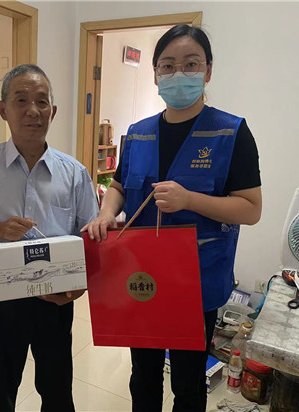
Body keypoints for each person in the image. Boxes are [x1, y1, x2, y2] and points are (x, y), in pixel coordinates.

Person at [82, 25, 262, 412]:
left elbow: (251, 208)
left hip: (195, 279)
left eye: (191, 64)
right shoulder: (138, 133)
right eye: (168, 65)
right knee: (143, 374)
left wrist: (190, 200)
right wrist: (106, 213)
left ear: (208, 70)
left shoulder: (231, 133)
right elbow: (119, 186)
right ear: (156, 74)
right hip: (141, 276)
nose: (179, 73)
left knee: (188, 381)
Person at [0, 64, 98, 412]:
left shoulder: (74, 173)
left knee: (58, 391)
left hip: (54, 299)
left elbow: (90, 238)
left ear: (53, 112)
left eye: (42, 102)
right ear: (3, 110)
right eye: (21, 100)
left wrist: (78, 289)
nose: (33, 111)